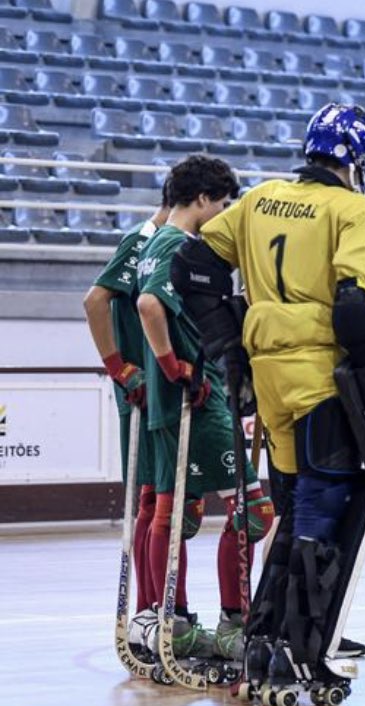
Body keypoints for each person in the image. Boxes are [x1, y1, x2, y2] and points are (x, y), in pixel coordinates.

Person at [197, 103, 365, 704]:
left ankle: (264, 637)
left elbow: (194, 267)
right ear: (355, 160)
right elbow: (354, 307)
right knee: (321, 504)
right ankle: (301, 649)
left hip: (267, 372)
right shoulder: (358, 211)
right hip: (318, 376)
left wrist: (229, 347)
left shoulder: (256, 199)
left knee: (288, 506)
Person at [134, 156, 267, 663]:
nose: (225, 212)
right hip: (198, 399)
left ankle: (174, 620)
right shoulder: (176, 246)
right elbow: (150, 306)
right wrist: (176, 367)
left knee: (171, 512)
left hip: (171, 407)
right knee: (255, 512)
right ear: (205, 200)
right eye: (224, 203)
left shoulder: (151, 243)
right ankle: (234, 623)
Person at [83, 186, 170, 651]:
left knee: (157, 501)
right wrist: (119, 368)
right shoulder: (144, 238)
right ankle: (147, 610)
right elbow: (94, 300)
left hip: (156, 391)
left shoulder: (159, 241)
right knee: (151, 502)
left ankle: (154, 611)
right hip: (140, 392)